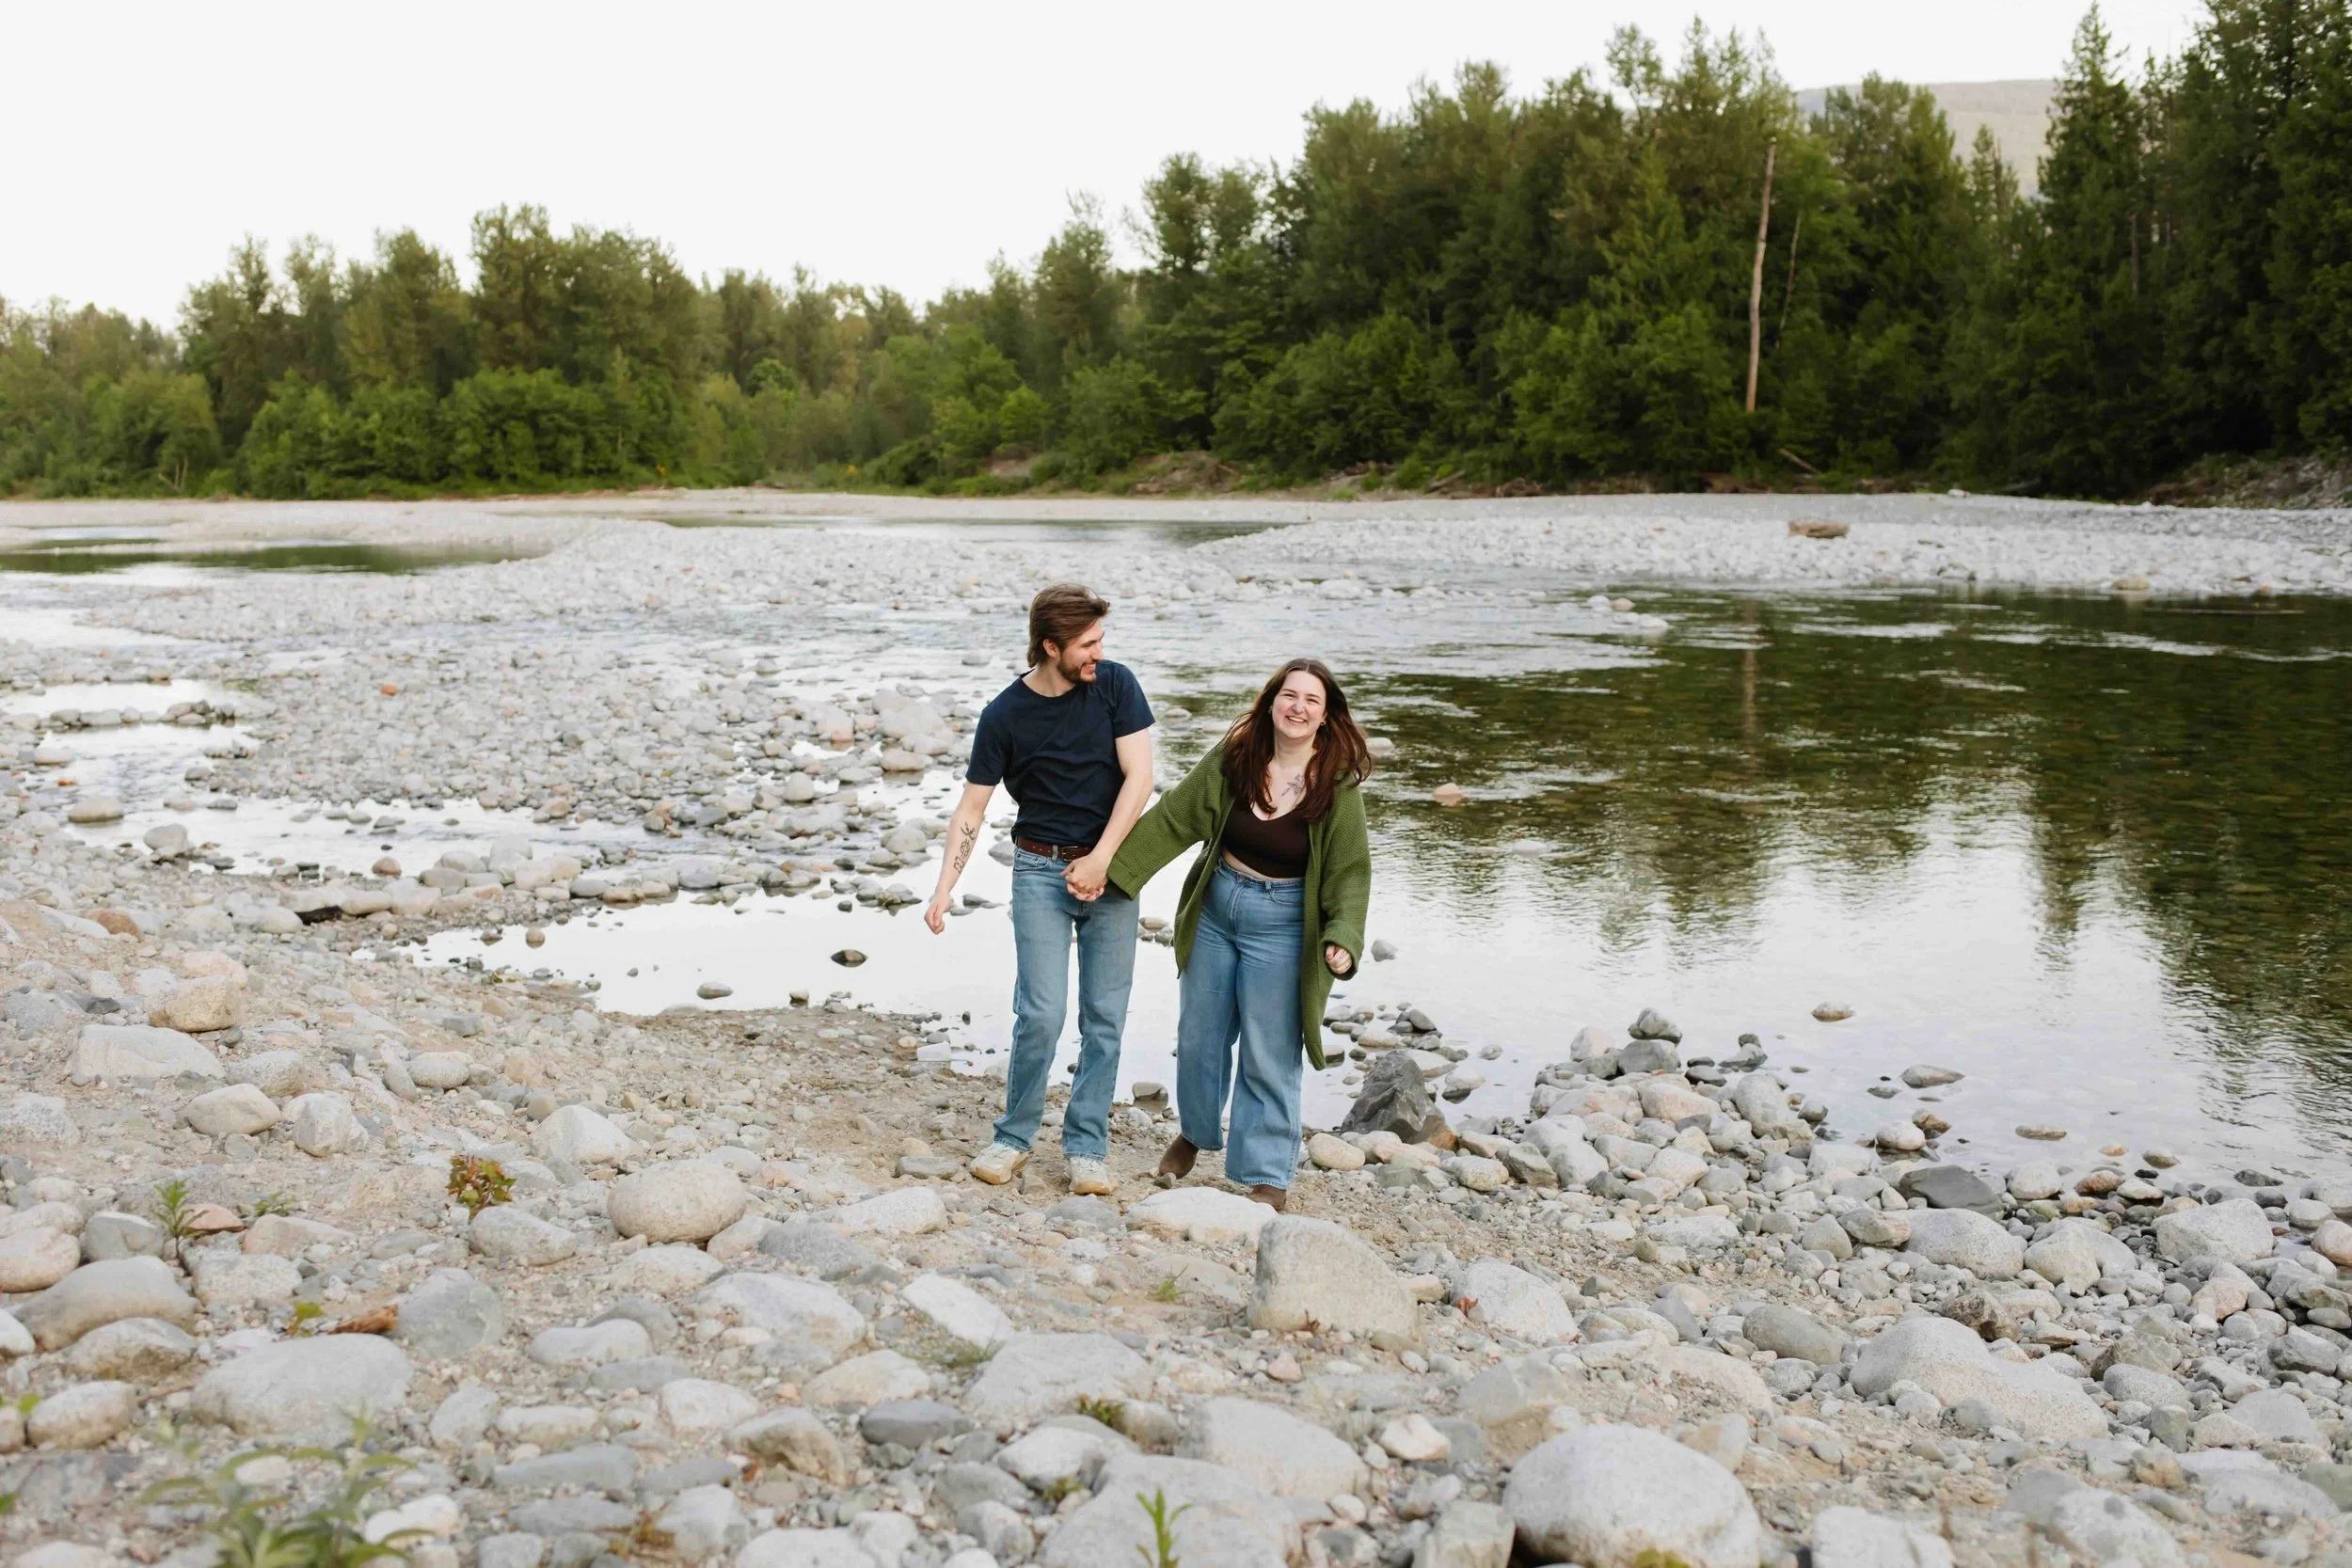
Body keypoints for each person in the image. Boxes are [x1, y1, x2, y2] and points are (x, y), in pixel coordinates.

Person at [1107, 657, 1372, 1210]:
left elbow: (1349, 871)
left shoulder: (1336, 783)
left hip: (1284, 923)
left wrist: (1343, 935)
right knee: (1201, 1036)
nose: (1298, 708)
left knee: (1270, 1050)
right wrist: (1113, 872)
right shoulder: (1238, 756)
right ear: (1273, 700)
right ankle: (1196, 1133)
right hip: (1217, 909)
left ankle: (1266, 1173)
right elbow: (1176, 818)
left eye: (1311, 701)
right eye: (1289, 696)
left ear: (1325, 716)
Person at [925, 583, 1154, 1195]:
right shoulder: (1005, 714)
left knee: (1104, 1017)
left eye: (1101, 640)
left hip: (1112, 871)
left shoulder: (1115, 685)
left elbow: (1141, 775)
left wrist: (1103, 858)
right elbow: (973, 807)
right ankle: (1014, 1135)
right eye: (1087, 643)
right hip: (1037, 871)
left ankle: (1086, 1148)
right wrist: (944, 888)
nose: (1098, 653)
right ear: (1050, 647)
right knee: (1041, 1013)